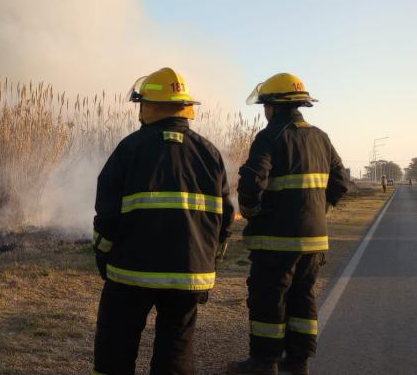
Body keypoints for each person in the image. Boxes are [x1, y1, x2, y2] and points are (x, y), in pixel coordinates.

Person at [92, 67, 234, 375]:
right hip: (188, 275)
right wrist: (207, 264)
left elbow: (106, 215)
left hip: (130, 274)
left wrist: (104, 257)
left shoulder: (130, 149)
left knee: (115, 348)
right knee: (176, 349)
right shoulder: (210, 154)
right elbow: (223, 220)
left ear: (150, 106)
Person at [227, 73, 349, 375]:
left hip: (275, 243)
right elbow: (341, 182)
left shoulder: (270, 136)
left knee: (269, 299)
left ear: (274, 106)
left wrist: (252, 212)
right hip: (314, 241)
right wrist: (321, 210)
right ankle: (298, 362)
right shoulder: (321, 136)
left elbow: (253, 180)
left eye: (265, 105)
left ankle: (263, 362)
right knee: (302, 299)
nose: (264, 111)